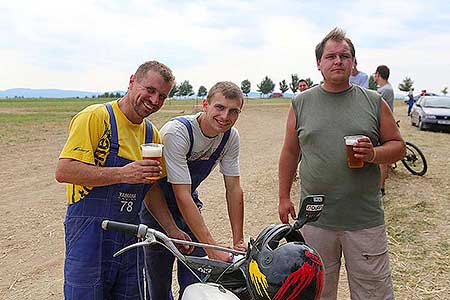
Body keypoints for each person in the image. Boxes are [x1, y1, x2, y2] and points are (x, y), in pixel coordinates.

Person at [278, 28, 405, 300]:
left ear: (353, 62)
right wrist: (283, 196)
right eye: (331, 56)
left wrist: (373, 155)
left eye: (344, 56)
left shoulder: (373, 101)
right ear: (319, 64)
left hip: (364, 219)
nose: (338, 61)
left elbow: (398, 146)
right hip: (315, 219)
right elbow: (290, 152)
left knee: (373, 293)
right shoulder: (301, 103)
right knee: (317, 292)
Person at [55, 61, 192, 299]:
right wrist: (122, 173)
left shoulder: (151, 133)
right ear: (131, 82)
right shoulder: (97, 117)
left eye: (162, 96)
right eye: (149, 90)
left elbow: (151, 189)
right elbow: (65, 170)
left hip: (131, 238)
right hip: (90, 236)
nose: (154, 100)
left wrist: (172, 230)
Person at [140, 81, 246, 299]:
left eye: (233, 111)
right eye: (220, 107)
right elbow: (181, 194)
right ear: (205, 105)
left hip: (189, 205)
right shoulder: (177, 132)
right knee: (158, 282)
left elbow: (234, 189)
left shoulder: (230, 136)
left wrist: (238, 241)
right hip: (157, 210)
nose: (225, 116)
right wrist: (211, 248)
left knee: (197, 278)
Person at [374, 65, 395, 196]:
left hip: (381, 124)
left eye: (375, 74)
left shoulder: (383, 90)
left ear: (378, 74)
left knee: (381, 159)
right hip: (385, 122)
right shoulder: (388, 88)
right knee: (385, 159)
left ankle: (381, 187)